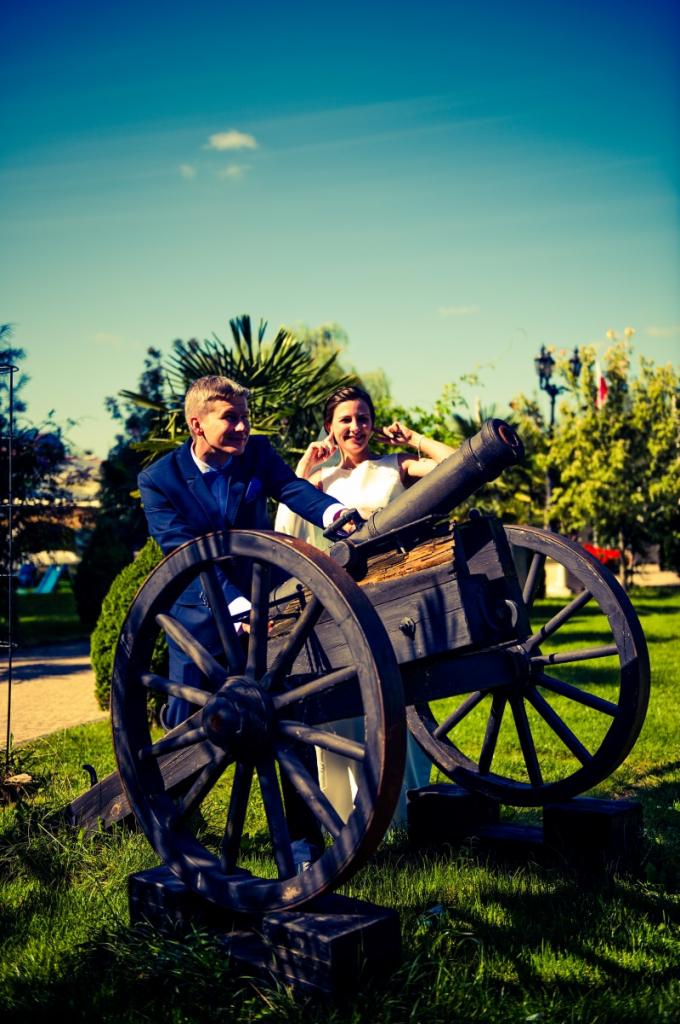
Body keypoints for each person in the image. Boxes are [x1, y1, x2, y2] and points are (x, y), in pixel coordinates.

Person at [138, 375, 351, 868]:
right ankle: (175, 830)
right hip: (198, 617)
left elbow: (292, 489)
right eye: (228, 417)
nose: (240, 426)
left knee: (289, 721)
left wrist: (334, 512)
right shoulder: (159, 481)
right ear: (197, 424)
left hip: (266, 605)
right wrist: (234, 603)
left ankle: (303, 851)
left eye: (244, 416)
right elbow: (184, 553)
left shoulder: (256, 453)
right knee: (184, 727)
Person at [274, 385, 457, 828]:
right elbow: (284, 530)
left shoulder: (396, 468)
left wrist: (413, 437)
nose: (355, 427)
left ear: (373, 423)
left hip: (395, 598)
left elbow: (456, 466)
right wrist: (305, 467)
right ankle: (347, 817)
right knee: (345, 715)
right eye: (345, 420)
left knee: (401, 702)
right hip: (339, 607)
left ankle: (404, 810)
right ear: (330, 429)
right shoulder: (320, 483)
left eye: (362, 418)